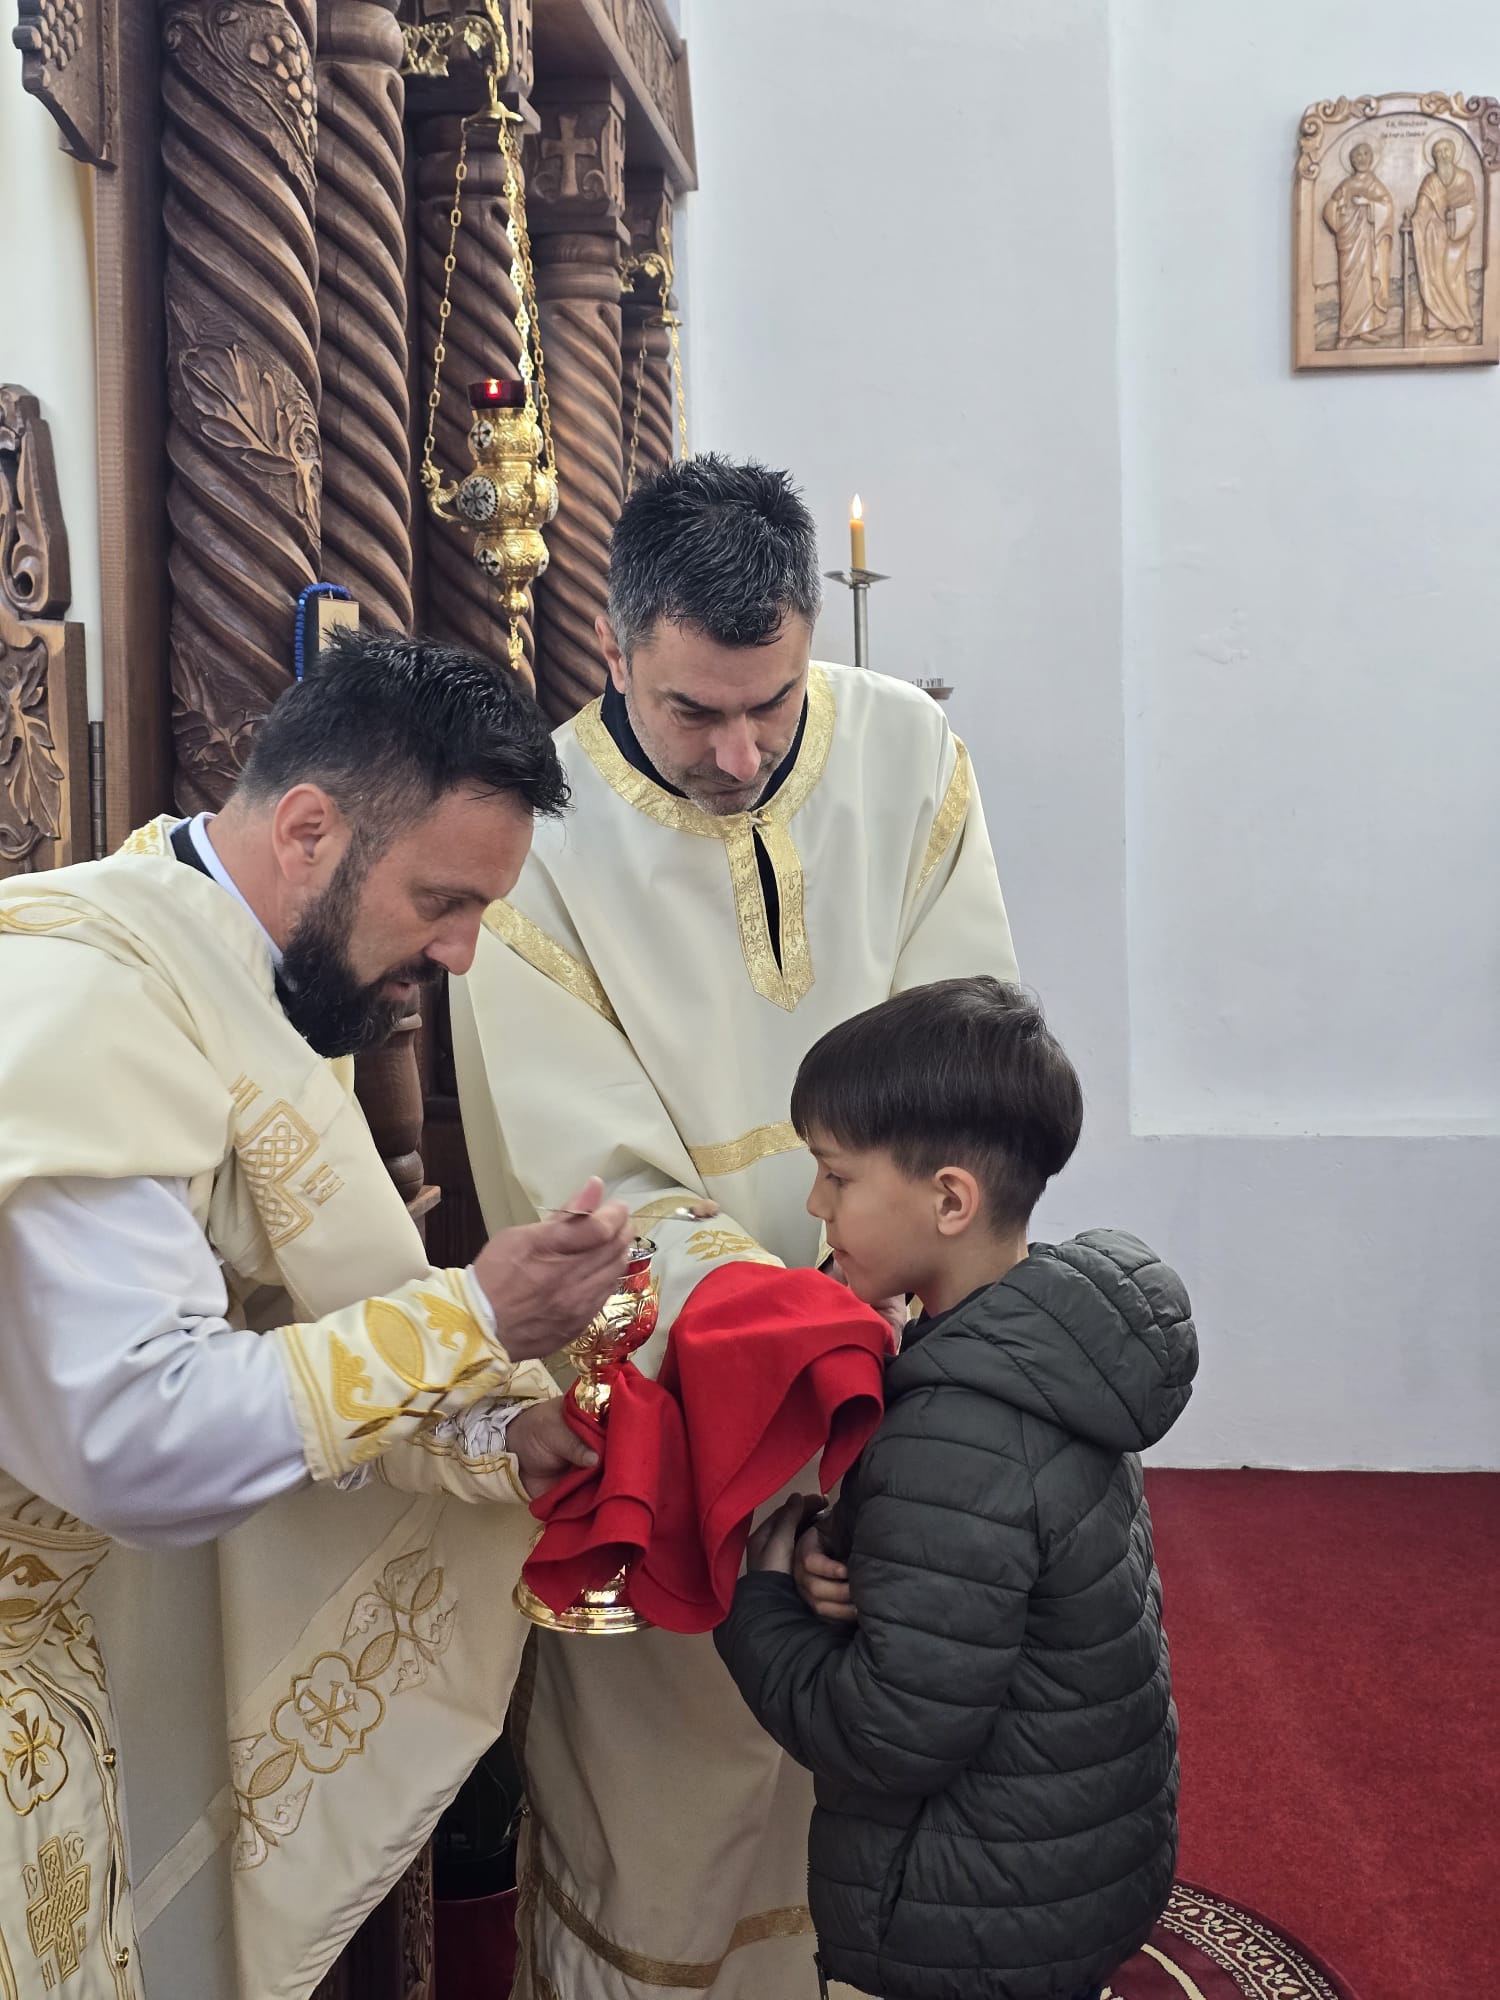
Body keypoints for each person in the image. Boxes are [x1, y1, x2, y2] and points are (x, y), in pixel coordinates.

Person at [453, 456, 1019, 1997]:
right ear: (614, 648)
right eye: (694, 711)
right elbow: (586, 1171)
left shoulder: (903, 749)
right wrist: (792, 1341)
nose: (741, 750)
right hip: (681, 1394)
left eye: (770, 702)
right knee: (672, 1794)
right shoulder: (535, 836)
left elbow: (969, 1050)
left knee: (885, 1747)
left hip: (905, 1352)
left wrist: (899, 1288)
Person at [0, 632, 633, 2000]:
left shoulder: (209, 951)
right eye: (441, 900)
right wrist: (476, 1315)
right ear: (306, 830)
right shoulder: (88, 1001)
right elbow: (135, 1438)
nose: (460, 952)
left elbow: (293, 1313)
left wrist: (492, 1440)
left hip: (59, 1662)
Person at [715, 977, 1197, 2000]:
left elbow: (888, 1733)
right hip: (1072, 1854)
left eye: (836, 1174)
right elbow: (986, 1581)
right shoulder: (1049, 1346)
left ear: (948, 1199)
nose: (815, 1205)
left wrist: (758, 1600)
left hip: (970, 1907)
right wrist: (856, 1549)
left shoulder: (958, 1426)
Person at [1322, 141, 1395, 346]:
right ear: (1352, 161)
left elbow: (1387, 207)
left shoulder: (1375, 185)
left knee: (1368, 284)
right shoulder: (1345, 185)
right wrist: (1337, 213)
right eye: (1357, 155)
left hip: (1369, 245)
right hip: (1350, 243)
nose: (1361, 158)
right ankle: (1346, 332)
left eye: (1365, 154)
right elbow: (1329, 208)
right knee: (1350, 287)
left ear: (1371, 159)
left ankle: (1365, 328)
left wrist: (1368, 203)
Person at [1412, 135, 1478, 342]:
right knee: (1433, 275)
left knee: (1454, 278)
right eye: (1438, 152)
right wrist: (1414, 220)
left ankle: (1462, 322)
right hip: (1433, 237)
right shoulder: (1430, 181)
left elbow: (1472, 207)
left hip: (1457, 236)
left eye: (1446, 150)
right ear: (1433, 157)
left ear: (1453, 152)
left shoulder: (1465, 178)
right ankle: (1437, 322)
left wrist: (1455, 217)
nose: (1442, 155)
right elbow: (1422, 209)